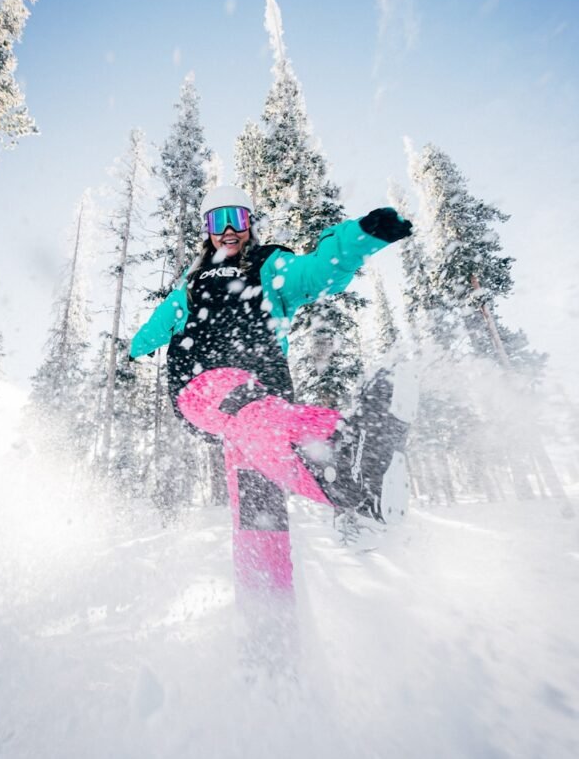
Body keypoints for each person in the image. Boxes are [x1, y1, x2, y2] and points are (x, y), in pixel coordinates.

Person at [130, 185, 415, 590]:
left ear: (250, 224)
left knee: (258, 508)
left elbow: (317, 272)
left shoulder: (269, 264)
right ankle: (348, 464)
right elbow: (163, 319)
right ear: (206, 229)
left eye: (237, 218)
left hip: (267, 403)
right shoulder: (193, 279)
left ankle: (268, 616)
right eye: (217, 220)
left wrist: (361, 236)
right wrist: (136, 347)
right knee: (245, 402)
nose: (228, 229)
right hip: (201, 380)